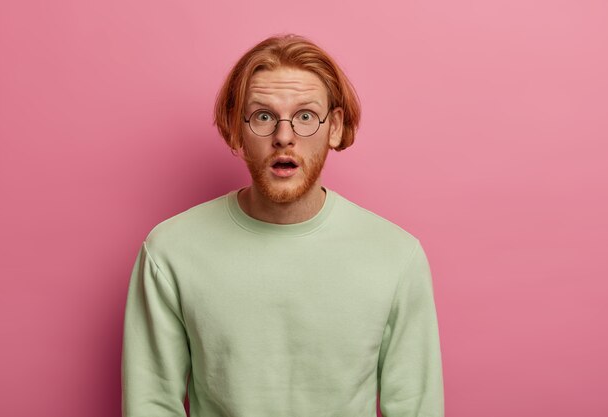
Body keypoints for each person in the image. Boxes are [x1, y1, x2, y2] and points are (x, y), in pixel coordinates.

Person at [121, 34, 444, 417]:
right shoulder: (170, 251)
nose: (284, 137)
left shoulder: (396, 256)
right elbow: (151, 404)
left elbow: (415, 408)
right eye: (263, 116)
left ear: (335, 127)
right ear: (236, 128)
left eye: (306, 116)